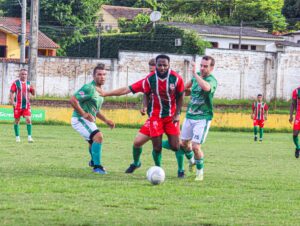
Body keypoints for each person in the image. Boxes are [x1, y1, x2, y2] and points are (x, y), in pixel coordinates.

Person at [143, 54, 185, 177]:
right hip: (155, 115)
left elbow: (181, 95)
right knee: (157, 148)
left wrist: (177, 113)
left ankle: (181, 168)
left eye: (165, 65)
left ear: (169, 65)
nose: (162, 68)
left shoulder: (176, 78)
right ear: (155, 65)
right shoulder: (149, 79)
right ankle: (158, 170)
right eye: (159, 65)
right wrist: (145, 106)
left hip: (171, 116)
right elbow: (146, 94)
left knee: (176, 146)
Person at [70, 64, 115, 174]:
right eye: (99, 74)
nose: (102, 77)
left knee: (93, 141)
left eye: (104, 74)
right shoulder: (89, 88)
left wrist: (106, 120)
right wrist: (83, 113)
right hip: (79, 119)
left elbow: (96, 110)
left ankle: (93, 161)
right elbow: (73, 100)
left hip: (88, 120)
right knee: (98, 137)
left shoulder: (100, 91)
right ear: (93, 76)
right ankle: (97, 167)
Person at [180, 56, 217, 181]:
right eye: (201, 65)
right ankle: (192, 161)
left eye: (205, 66)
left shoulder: (212, 80)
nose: (202, 68)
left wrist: (195, 74)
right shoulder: (195, 79)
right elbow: (184, 89)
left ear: (211, 68)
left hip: (203, 118)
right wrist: (176, 90)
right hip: (190, 116)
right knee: (183, 143)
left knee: (196, 147)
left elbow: (206, 88)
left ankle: (199, 173)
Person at [9, 68, 35, 143]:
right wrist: (12, 101)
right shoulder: (16, 83)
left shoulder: (29, 83)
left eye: (25, 74)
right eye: (22, 74)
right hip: (17, 105)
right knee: (17, 121)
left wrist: (33, 89)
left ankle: (29, 137)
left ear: (27, 75)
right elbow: (11, 92)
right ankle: (17, 137)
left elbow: (33, 93)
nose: (24, 75)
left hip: (26, 105)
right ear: (20, 74)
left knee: (28, 120)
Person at [289, 86, 300, 158]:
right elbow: (293, 104)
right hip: (298, 115)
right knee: (295, 134)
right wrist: (291, 116)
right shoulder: (296, 91)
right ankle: (298, 147)